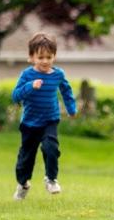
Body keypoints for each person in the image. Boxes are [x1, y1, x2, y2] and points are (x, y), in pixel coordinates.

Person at [11, 32, 77, 200]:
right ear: (32, 57)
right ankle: (23, 183)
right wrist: (30, 86)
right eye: (41, 57)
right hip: (30, 123)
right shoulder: (27, 75)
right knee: (26, 158)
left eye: (49, 57)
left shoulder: (58, 75)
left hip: (50, 120)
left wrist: (71, 109)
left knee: (51, 148)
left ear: (54, 56)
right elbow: (16, 95)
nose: (45, 61)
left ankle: (51, 179)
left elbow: (66, 91)